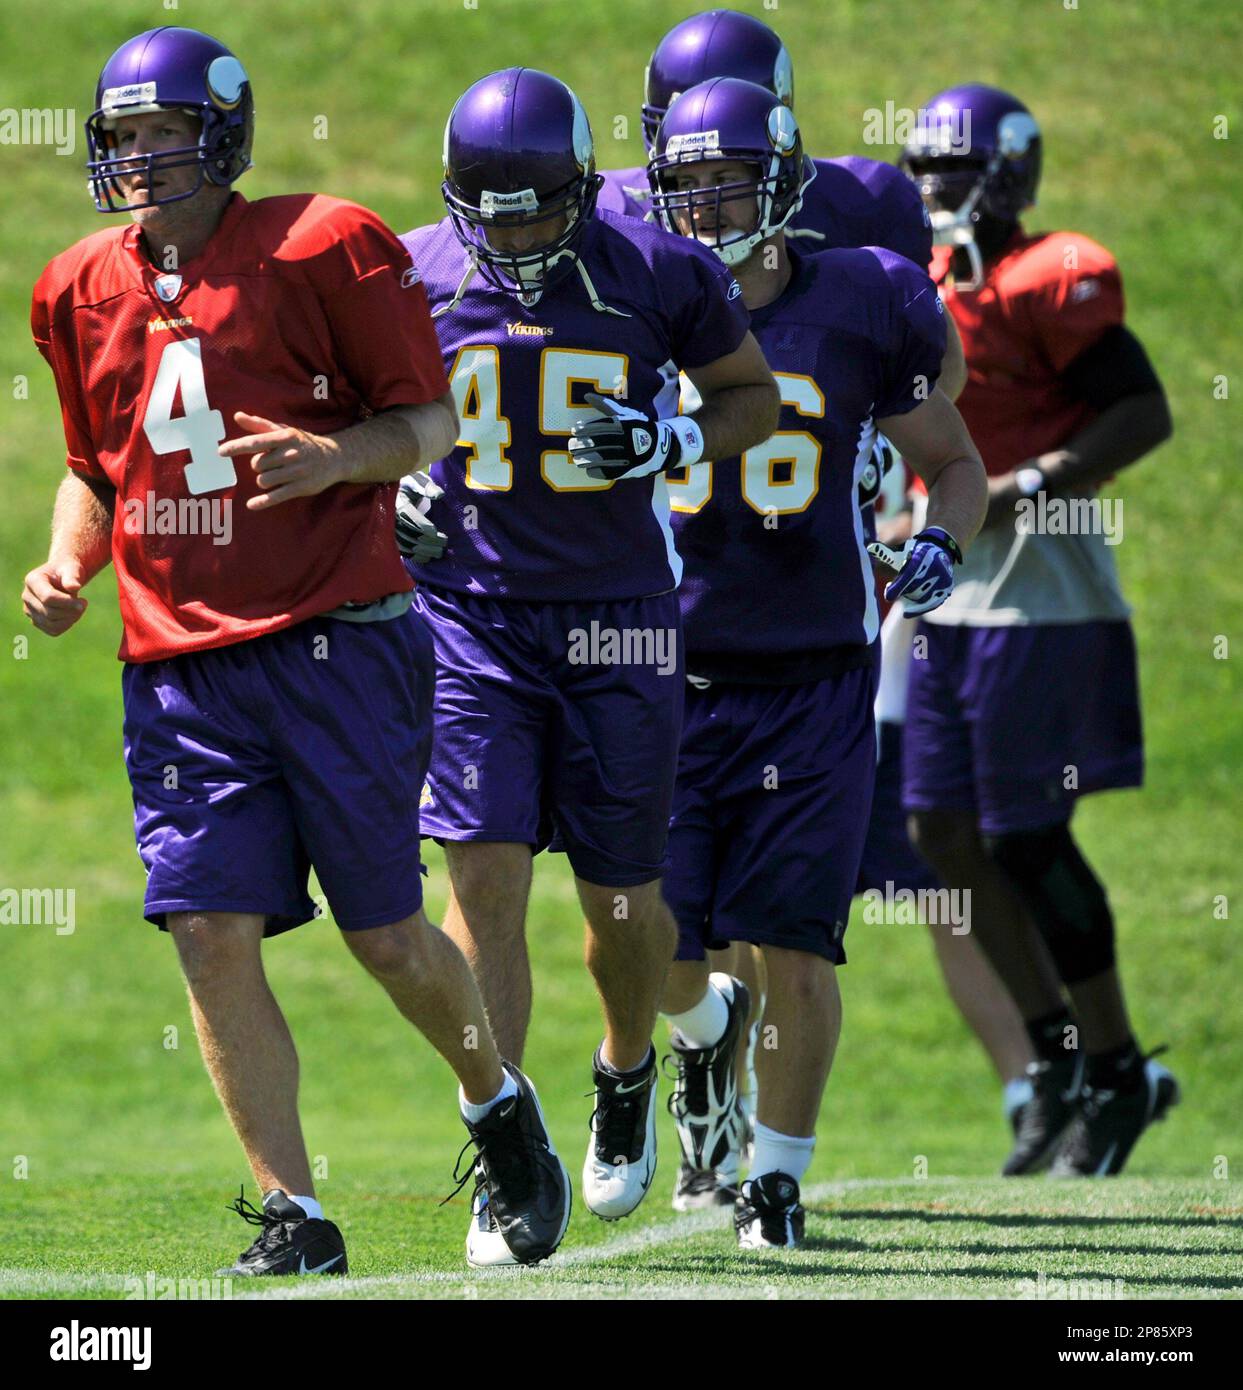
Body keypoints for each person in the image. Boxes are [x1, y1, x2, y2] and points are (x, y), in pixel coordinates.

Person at [23, 26, 569, 1274]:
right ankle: (296, 1213)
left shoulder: (324, 243)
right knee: (207, 931)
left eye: (165, 133)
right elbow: (96, 467)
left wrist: (338, 460)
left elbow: (426, 418)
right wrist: (70, 566)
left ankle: (498, 1103)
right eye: (123, 137)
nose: (143, 157)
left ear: (222, 137)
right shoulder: (74, 283)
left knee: (383, 932)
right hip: (176, 667)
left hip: (332, 640)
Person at [396, 67, 779, 1261]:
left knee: (619, 903)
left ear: (583, 186)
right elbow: (357, 417)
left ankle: (631, 1063)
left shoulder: (658, 269)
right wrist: (379, 493)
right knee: (482, 885)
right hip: (467, 616)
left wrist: (673, 437)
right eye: (488, 206)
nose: (510, 230)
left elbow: (750, 399)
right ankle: (505, 1155)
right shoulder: (404, 273)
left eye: (536, 204)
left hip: (619, 617)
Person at [645, 77, 987, 1243]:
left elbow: (953, 459)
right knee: (653, 946)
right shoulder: (637, 295)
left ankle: (776, 1177)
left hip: (814, 676)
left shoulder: (861, 300)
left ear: (782, 179)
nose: (699, 204)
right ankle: (702, 1041)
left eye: (723, 179)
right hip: (661, 671)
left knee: (797, 941)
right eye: (681, 181)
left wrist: (940, 540)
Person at [898, 84, 1178, 1175]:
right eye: (922, 169)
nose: (934, 190)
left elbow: (1144, 409)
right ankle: (1058, 1054)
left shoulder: (1045, 274)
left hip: (1039, 589)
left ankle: (1110, 1064)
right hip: (941, 589)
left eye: (954, 170)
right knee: (938, 833)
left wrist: (1030, 482)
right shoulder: (916, 279)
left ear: (1008, 174)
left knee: (1025, 831)